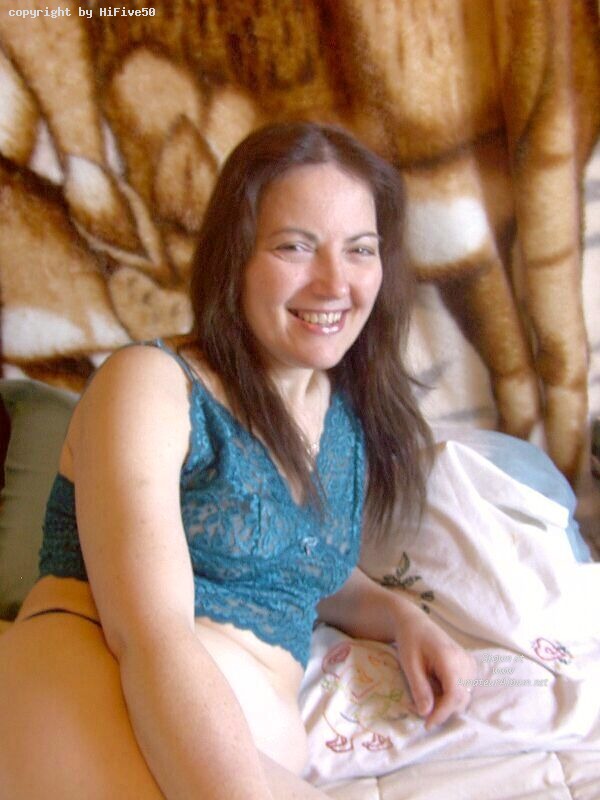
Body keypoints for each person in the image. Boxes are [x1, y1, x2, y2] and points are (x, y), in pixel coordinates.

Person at [0, 122, 476, 799]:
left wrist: (403, 618)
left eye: (360, 250)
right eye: (295, 246)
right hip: (88, 682)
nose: (335, 282)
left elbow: (299, 561)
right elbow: (149, 636)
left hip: (208, 742)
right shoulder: (151, 386)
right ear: (235, 256)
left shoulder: (345, 416)